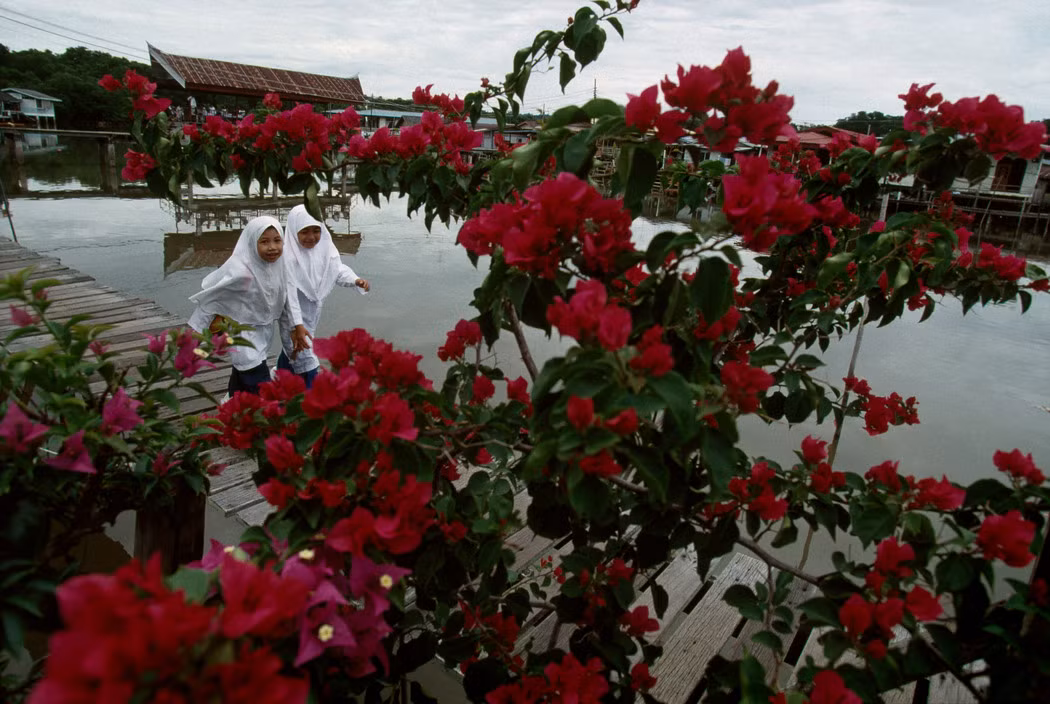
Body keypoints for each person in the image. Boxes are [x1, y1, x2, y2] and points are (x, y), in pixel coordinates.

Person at [187, 216, 309, 395]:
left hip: (264, 332)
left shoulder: (282, 268)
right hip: (241, 332)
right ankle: (267, 412)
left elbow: (288, 300)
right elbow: (214, 299)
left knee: (242, 372)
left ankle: (233, 403)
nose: (272, 247)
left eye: (277, 241)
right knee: (256, 376)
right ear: (252, 243)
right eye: (264, 242)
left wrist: (295, 327)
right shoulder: (240, 271)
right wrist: (197, 328)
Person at [278, 205, 370, 387]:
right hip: (291, 315)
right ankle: (312, 396)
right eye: (305, 232)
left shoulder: (324, 249)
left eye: (316, 230)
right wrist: (297, 324)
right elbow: (289, 296)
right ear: (294, 230)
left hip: (311, 314)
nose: (311, 237)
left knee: (293, 351)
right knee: (306, 356)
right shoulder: (287, 258)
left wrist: (355, 280)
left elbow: (336, 270)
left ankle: (281, 375)